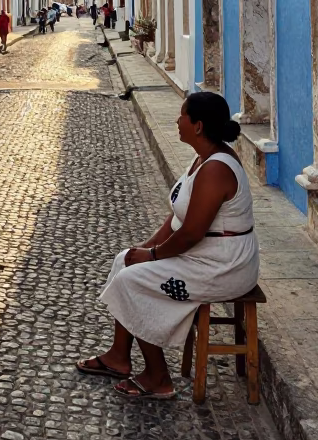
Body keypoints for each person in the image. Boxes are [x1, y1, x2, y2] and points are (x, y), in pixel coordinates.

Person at [76, 92, 258, 400]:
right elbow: (177, 217)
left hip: (223, 267)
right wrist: (144, 248)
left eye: (182, 115)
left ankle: (158, 376)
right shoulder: (202, 158)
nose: (177, 120)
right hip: (203, 257)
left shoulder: (216, 169)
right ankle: (119, 357)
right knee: (125, 261)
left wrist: (153, 256)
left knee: (132, 282)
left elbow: (190, 234)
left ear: (197, 126)